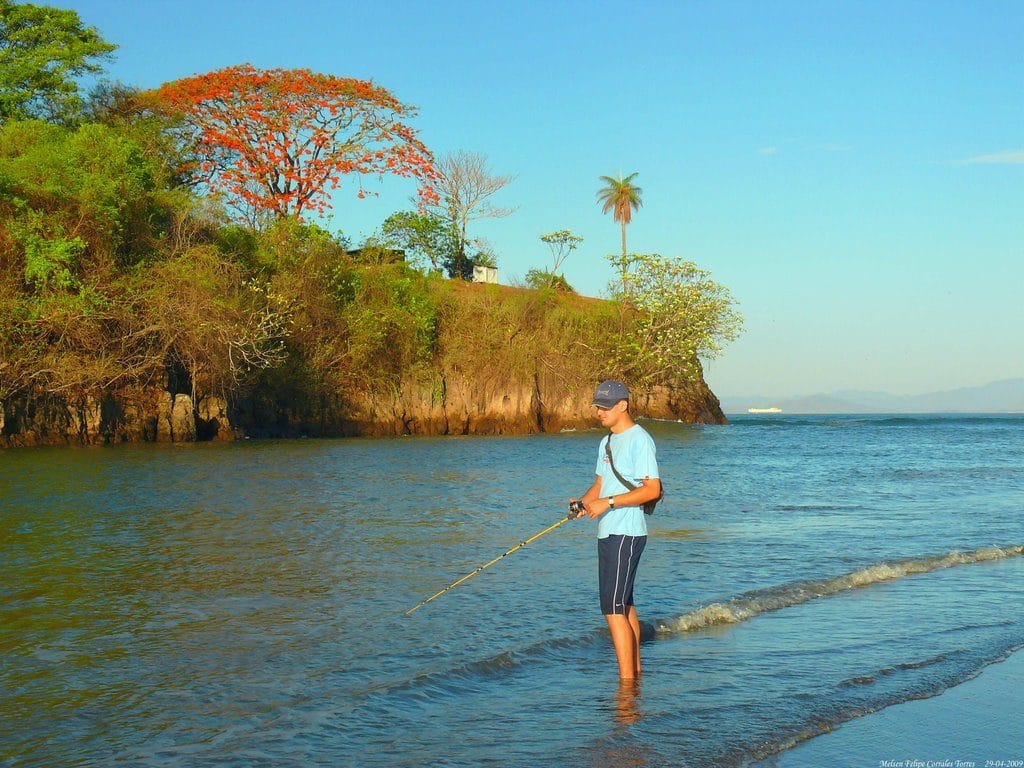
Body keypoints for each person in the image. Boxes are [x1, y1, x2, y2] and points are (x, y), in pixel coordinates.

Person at [572, 380, 661, 680]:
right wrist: (583, 504)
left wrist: (608, 503)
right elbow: (600, 484)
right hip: (608, 531)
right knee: (624, 605)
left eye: (605, 407)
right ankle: (635, 676)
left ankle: (626, 688)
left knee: (611, 608)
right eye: (597, 406)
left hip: (627, 532)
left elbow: (652, 490)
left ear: (623, 405)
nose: (600, 412)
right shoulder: (606, 442)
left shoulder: (641, 440)